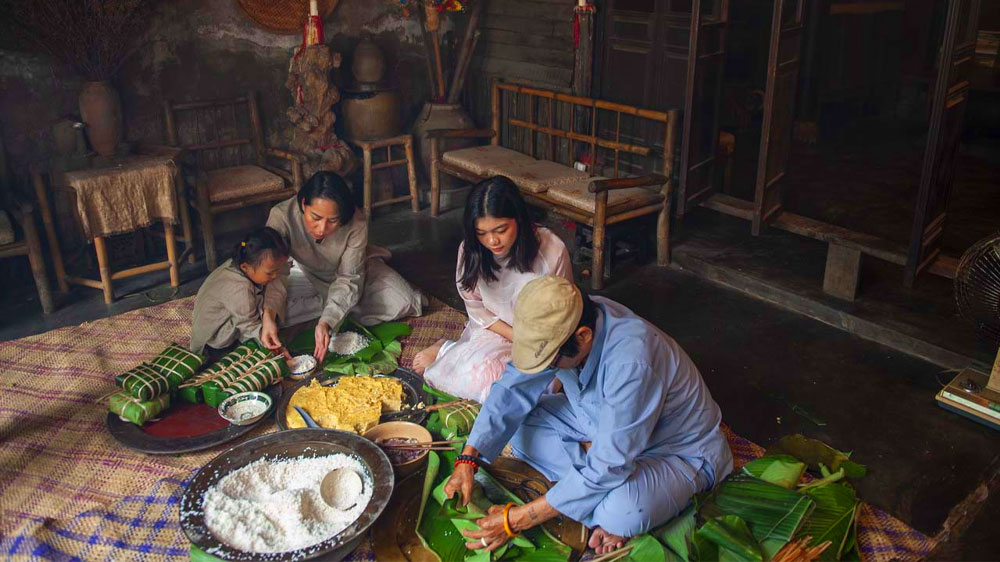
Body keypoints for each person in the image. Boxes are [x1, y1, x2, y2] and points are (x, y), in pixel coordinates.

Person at [442, 276, 733, 555]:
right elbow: (511, 391)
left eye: (551, 362)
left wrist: (517, 519)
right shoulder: (565, 318)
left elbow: (611, 461)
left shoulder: (632, 361)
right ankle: (593, 475)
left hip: (677, 450)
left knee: (623, 512)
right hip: (599, 424)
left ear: (583, 337)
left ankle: (600, 483)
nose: (545, 368)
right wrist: (469, 458)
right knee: (516, 428)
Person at [413, 176, 573, 402]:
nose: (492, 241)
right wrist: (514, 335)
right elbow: (476, 307)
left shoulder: (552, 249)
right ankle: (446, 349)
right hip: (496, 329)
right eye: (482, 233)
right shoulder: (471, 250)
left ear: (518, 219)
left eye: (501, 230)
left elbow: (564, 308)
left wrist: (532, 340)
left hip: (541, 337)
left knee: (535, 395)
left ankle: (453, 351)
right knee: (483, 383)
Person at [266, 172, 423, 362]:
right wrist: (269, 314)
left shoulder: (356, 222)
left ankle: (333, 306)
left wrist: (327, 321)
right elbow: (275, 272)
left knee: (403, 301)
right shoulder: (281, 216)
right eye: (315, 217)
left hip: (354, 271)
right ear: (303, 204)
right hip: (308, 274)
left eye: (332, 221)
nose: (322, 228)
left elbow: (349, 277)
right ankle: (336, 305)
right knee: (268, 313)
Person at [189, 227, 289, 356]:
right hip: (213, 342)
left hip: (228, 319)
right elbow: (249, 326)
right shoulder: (239, 289)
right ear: (245, 267)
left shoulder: (241, 263)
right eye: (270, 273)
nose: (275, 276)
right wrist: (274, 347)